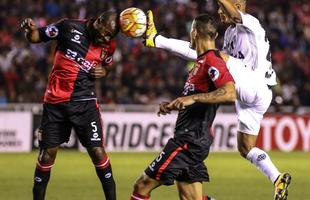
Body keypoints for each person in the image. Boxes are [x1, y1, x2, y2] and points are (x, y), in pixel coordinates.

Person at [144, 0, 291, 199]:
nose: (219, 11)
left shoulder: (251, 23)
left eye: (222, 8)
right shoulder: (230, 33)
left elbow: (213, 53)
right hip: (252, 96)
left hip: (253, 83)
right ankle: (277, 178)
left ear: (237, 5)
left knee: (209, 55)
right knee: (245, 147)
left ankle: (156, 40)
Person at [130, 13, 236, 200]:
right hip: (193, 138)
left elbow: (229, 92)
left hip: (189, 140)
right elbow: (193, 98)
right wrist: (173, 105)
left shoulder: (213, 61)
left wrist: (193, 98)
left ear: (194, 33)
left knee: (142, 185)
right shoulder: (200, 62)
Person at [20, 11, 119, 200]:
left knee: (98, 152)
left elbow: (107, 65)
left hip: (84, 102)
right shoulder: (68, 27)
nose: (106, 38)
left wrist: (104, 71)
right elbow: (36, 37)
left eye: (110, 36)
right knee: (47, 156)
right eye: (105, 33)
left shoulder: (109, 45)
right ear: (98, 22)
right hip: (55, 102)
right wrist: (29, 30)